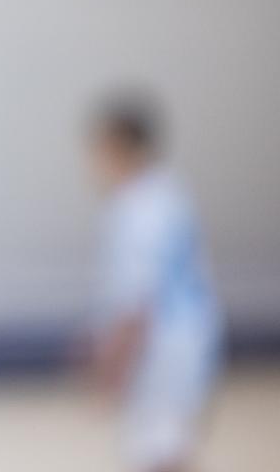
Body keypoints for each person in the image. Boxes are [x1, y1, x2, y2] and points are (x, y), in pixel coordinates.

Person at [83, 89, 224, 472]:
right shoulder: (171, 192)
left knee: (159, 457)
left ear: (117, 145)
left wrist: (110, 369)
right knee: (173, 452)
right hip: (189, 349)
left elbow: (135, 305)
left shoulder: (136, 208)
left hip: (159, 360)